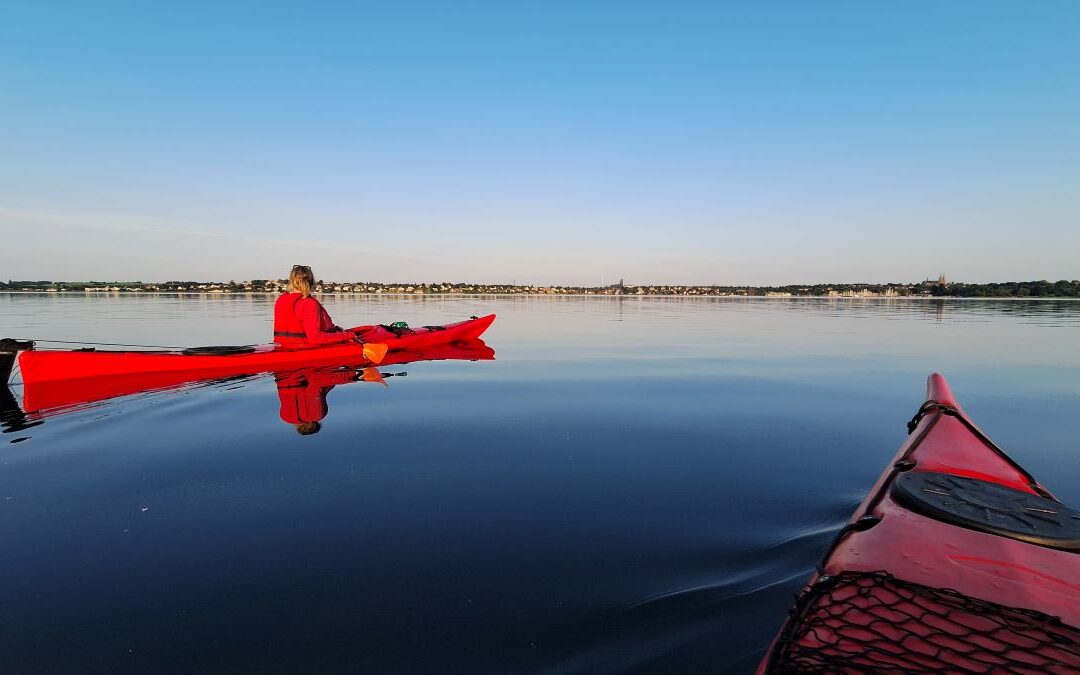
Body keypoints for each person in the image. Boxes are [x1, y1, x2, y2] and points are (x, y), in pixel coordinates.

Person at [273, 265, 356, 347]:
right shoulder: (309, 303)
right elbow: (315, 337)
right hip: (305, 348)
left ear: (291, 281)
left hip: (281, 346)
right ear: (311, 282)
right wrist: (347, 336)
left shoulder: (281, 299)